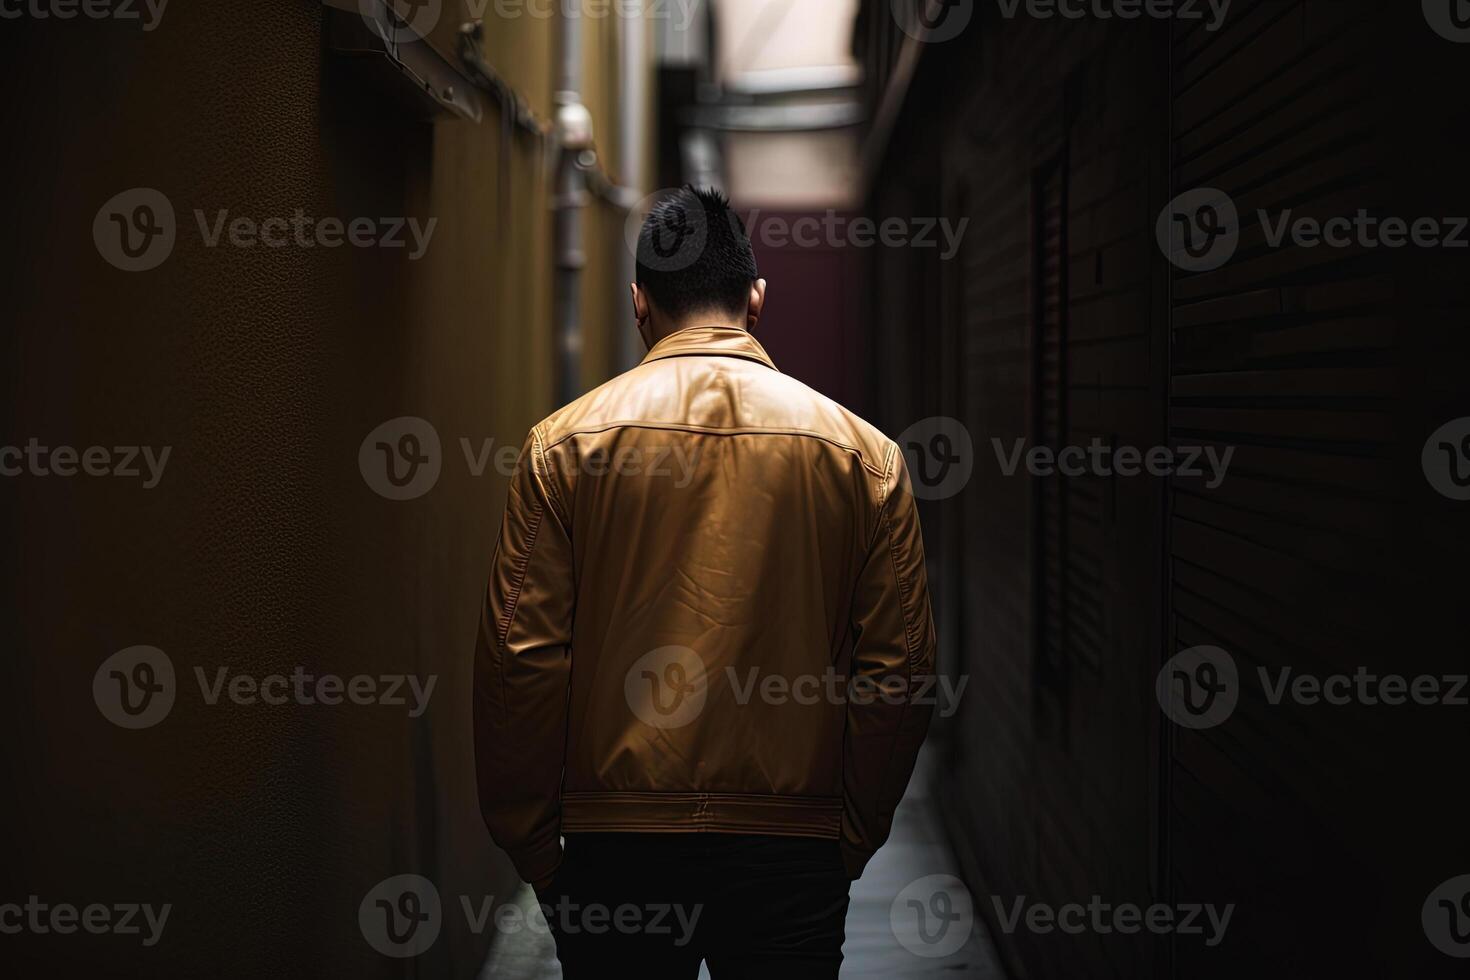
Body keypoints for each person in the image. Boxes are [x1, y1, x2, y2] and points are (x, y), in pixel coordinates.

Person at [473, 185, 936, 978]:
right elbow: (900, 671)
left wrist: (533, 844)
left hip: (616, 847)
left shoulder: (562, 448)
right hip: (790, 846)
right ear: (756, 297)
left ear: (637, 303)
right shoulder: (866, 458)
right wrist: (852, 832)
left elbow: (521, 657)